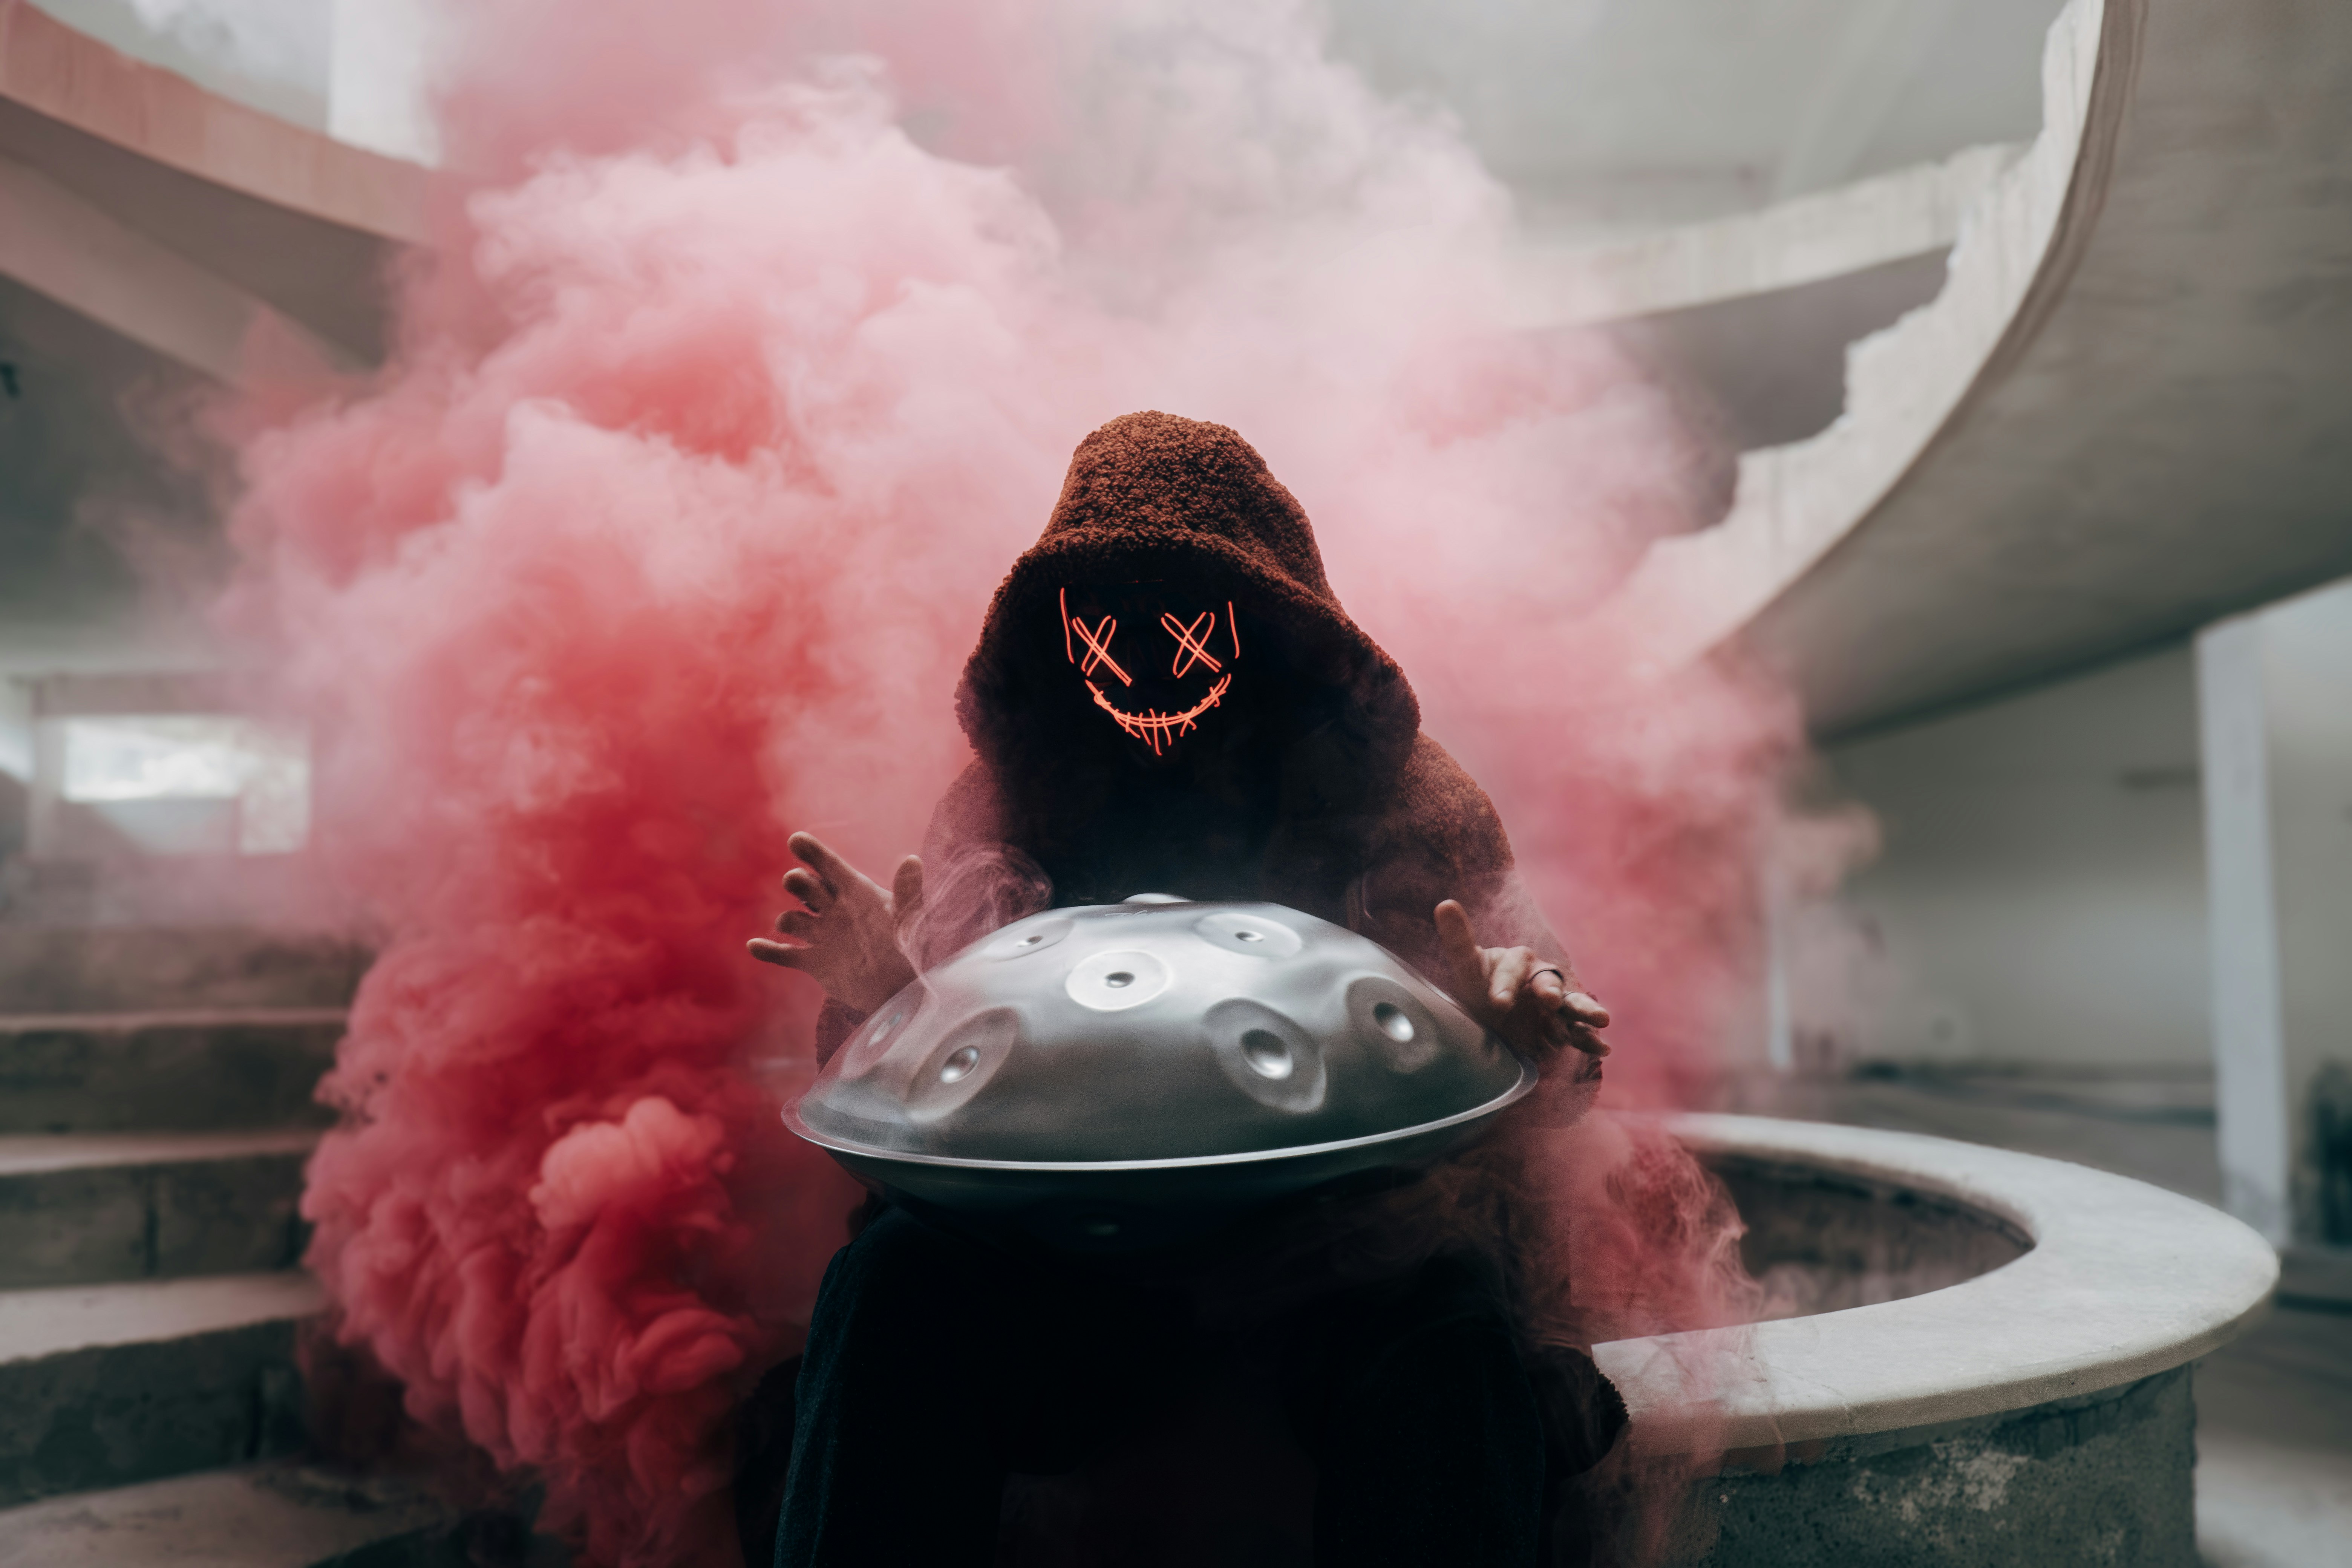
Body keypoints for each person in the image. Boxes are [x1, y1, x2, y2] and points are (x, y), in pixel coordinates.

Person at [741, 412, 1622, 1567]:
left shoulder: (1402, 797)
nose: (1146, 658)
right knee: (890, 1286)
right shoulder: (1009, 797)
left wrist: (1517, 1028)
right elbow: (940, 1081)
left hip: (1343, 1263)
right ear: (1056, 633)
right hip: (1072, 1273)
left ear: (1264, 621)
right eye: (1105, 621)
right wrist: (879, 992)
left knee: (1455, 1326)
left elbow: (1547, 1050)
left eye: (1184, 619)